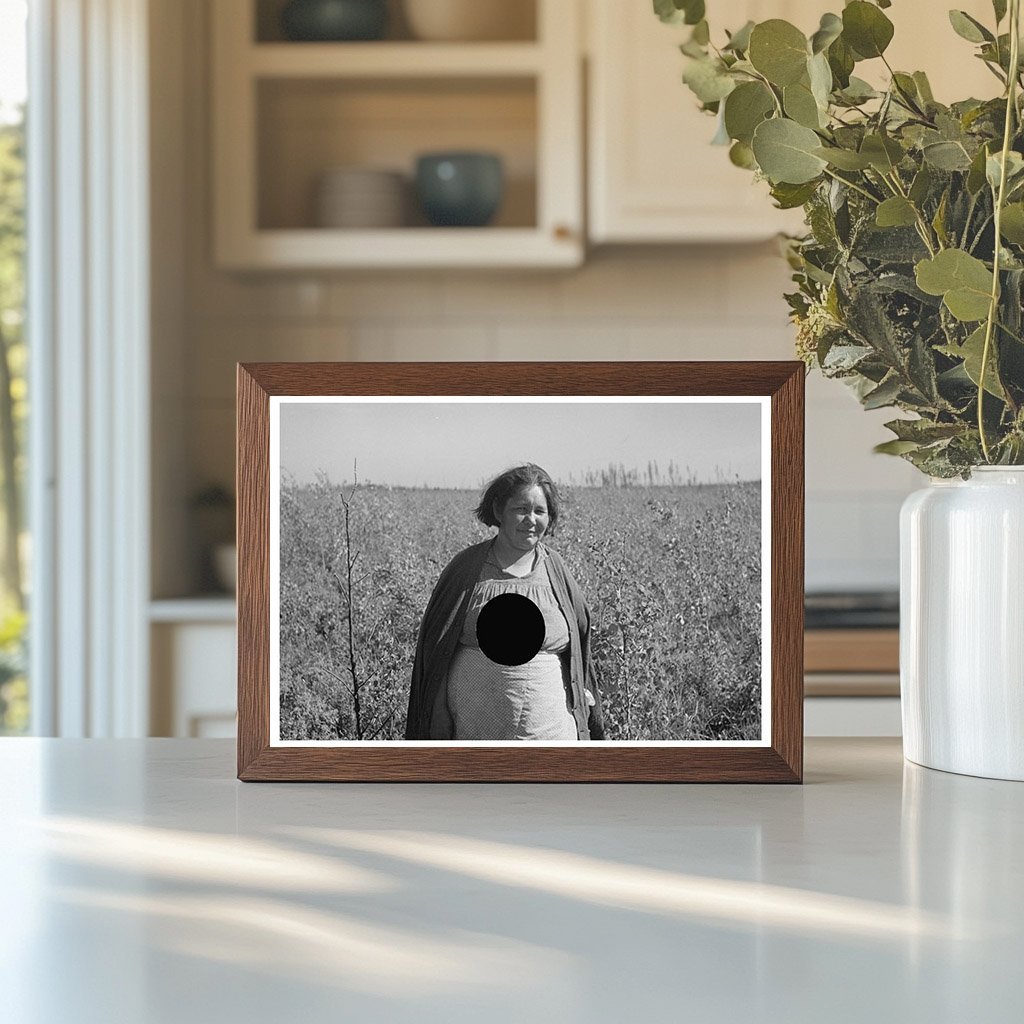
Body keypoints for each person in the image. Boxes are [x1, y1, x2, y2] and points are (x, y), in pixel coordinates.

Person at [406, 464, 604, 741]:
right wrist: (438, 718)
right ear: (499, 511)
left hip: (549, 732)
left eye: (540, 511)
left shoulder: (556, 570)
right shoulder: (466, 569)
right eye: (521, 509)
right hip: (474, 732)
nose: (531, 520)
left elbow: (579, 644)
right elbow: (437, 651)